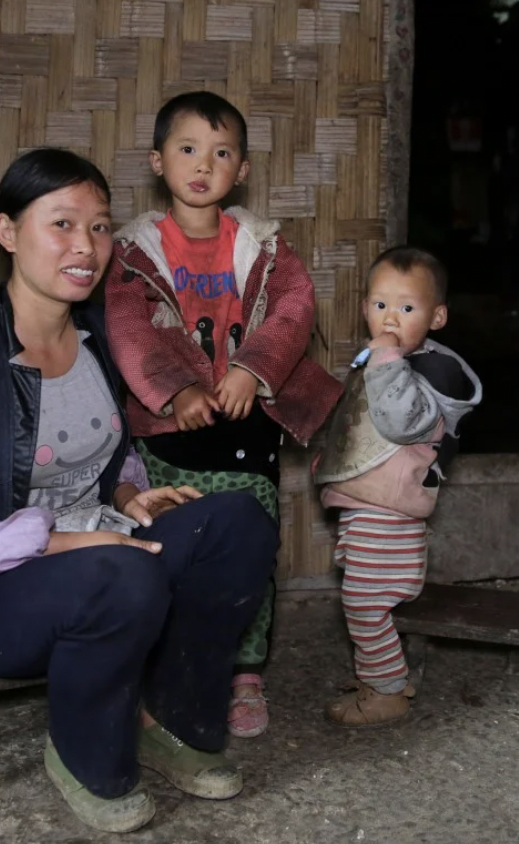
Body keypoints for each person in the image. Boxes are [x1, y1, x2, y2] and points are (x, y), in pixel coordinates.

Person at [0, 148, 280, 834]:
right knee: (119, 573)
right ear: (8, 233)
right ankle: (88, 754)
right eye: (61, 224)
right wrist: (64, 540)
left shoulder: (91, 335)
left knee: (238, 522)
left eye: (98, 228)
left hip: (96, 554)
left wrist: (125, 499)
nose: (85, 247)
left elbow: (99, 451)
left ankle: (175, 723)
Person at [104, 91, 342, 739]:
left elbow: (295, 307)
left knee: (251, 547)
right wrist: (177, 388)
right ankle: (170, 663)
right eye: (187, 149)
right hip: (170, 432)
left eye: (221, 152)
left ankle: (245, 672)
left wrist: (251, 369)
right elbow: (128, 328)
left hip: (248, 425)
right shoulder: (133, 253)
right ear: (158, 161)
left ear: (241, 171)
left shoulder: (262, 247)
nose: (203, 164)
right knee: (170, 546)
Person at [312, 246, 482, 727]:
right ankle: (379, 674)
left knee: (366, 604)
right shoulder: (382, 362)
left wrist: (386, 358)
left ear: (438, 316)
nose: (390, 319)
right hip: (368, 510)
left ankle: (387, 690)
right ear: (364, 306)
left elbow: (401, 421)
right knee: (362, 597)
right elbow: (363, 427)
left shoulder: (431, 373)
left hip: (389, 517)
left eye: (407, 309)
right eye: (380, 304)